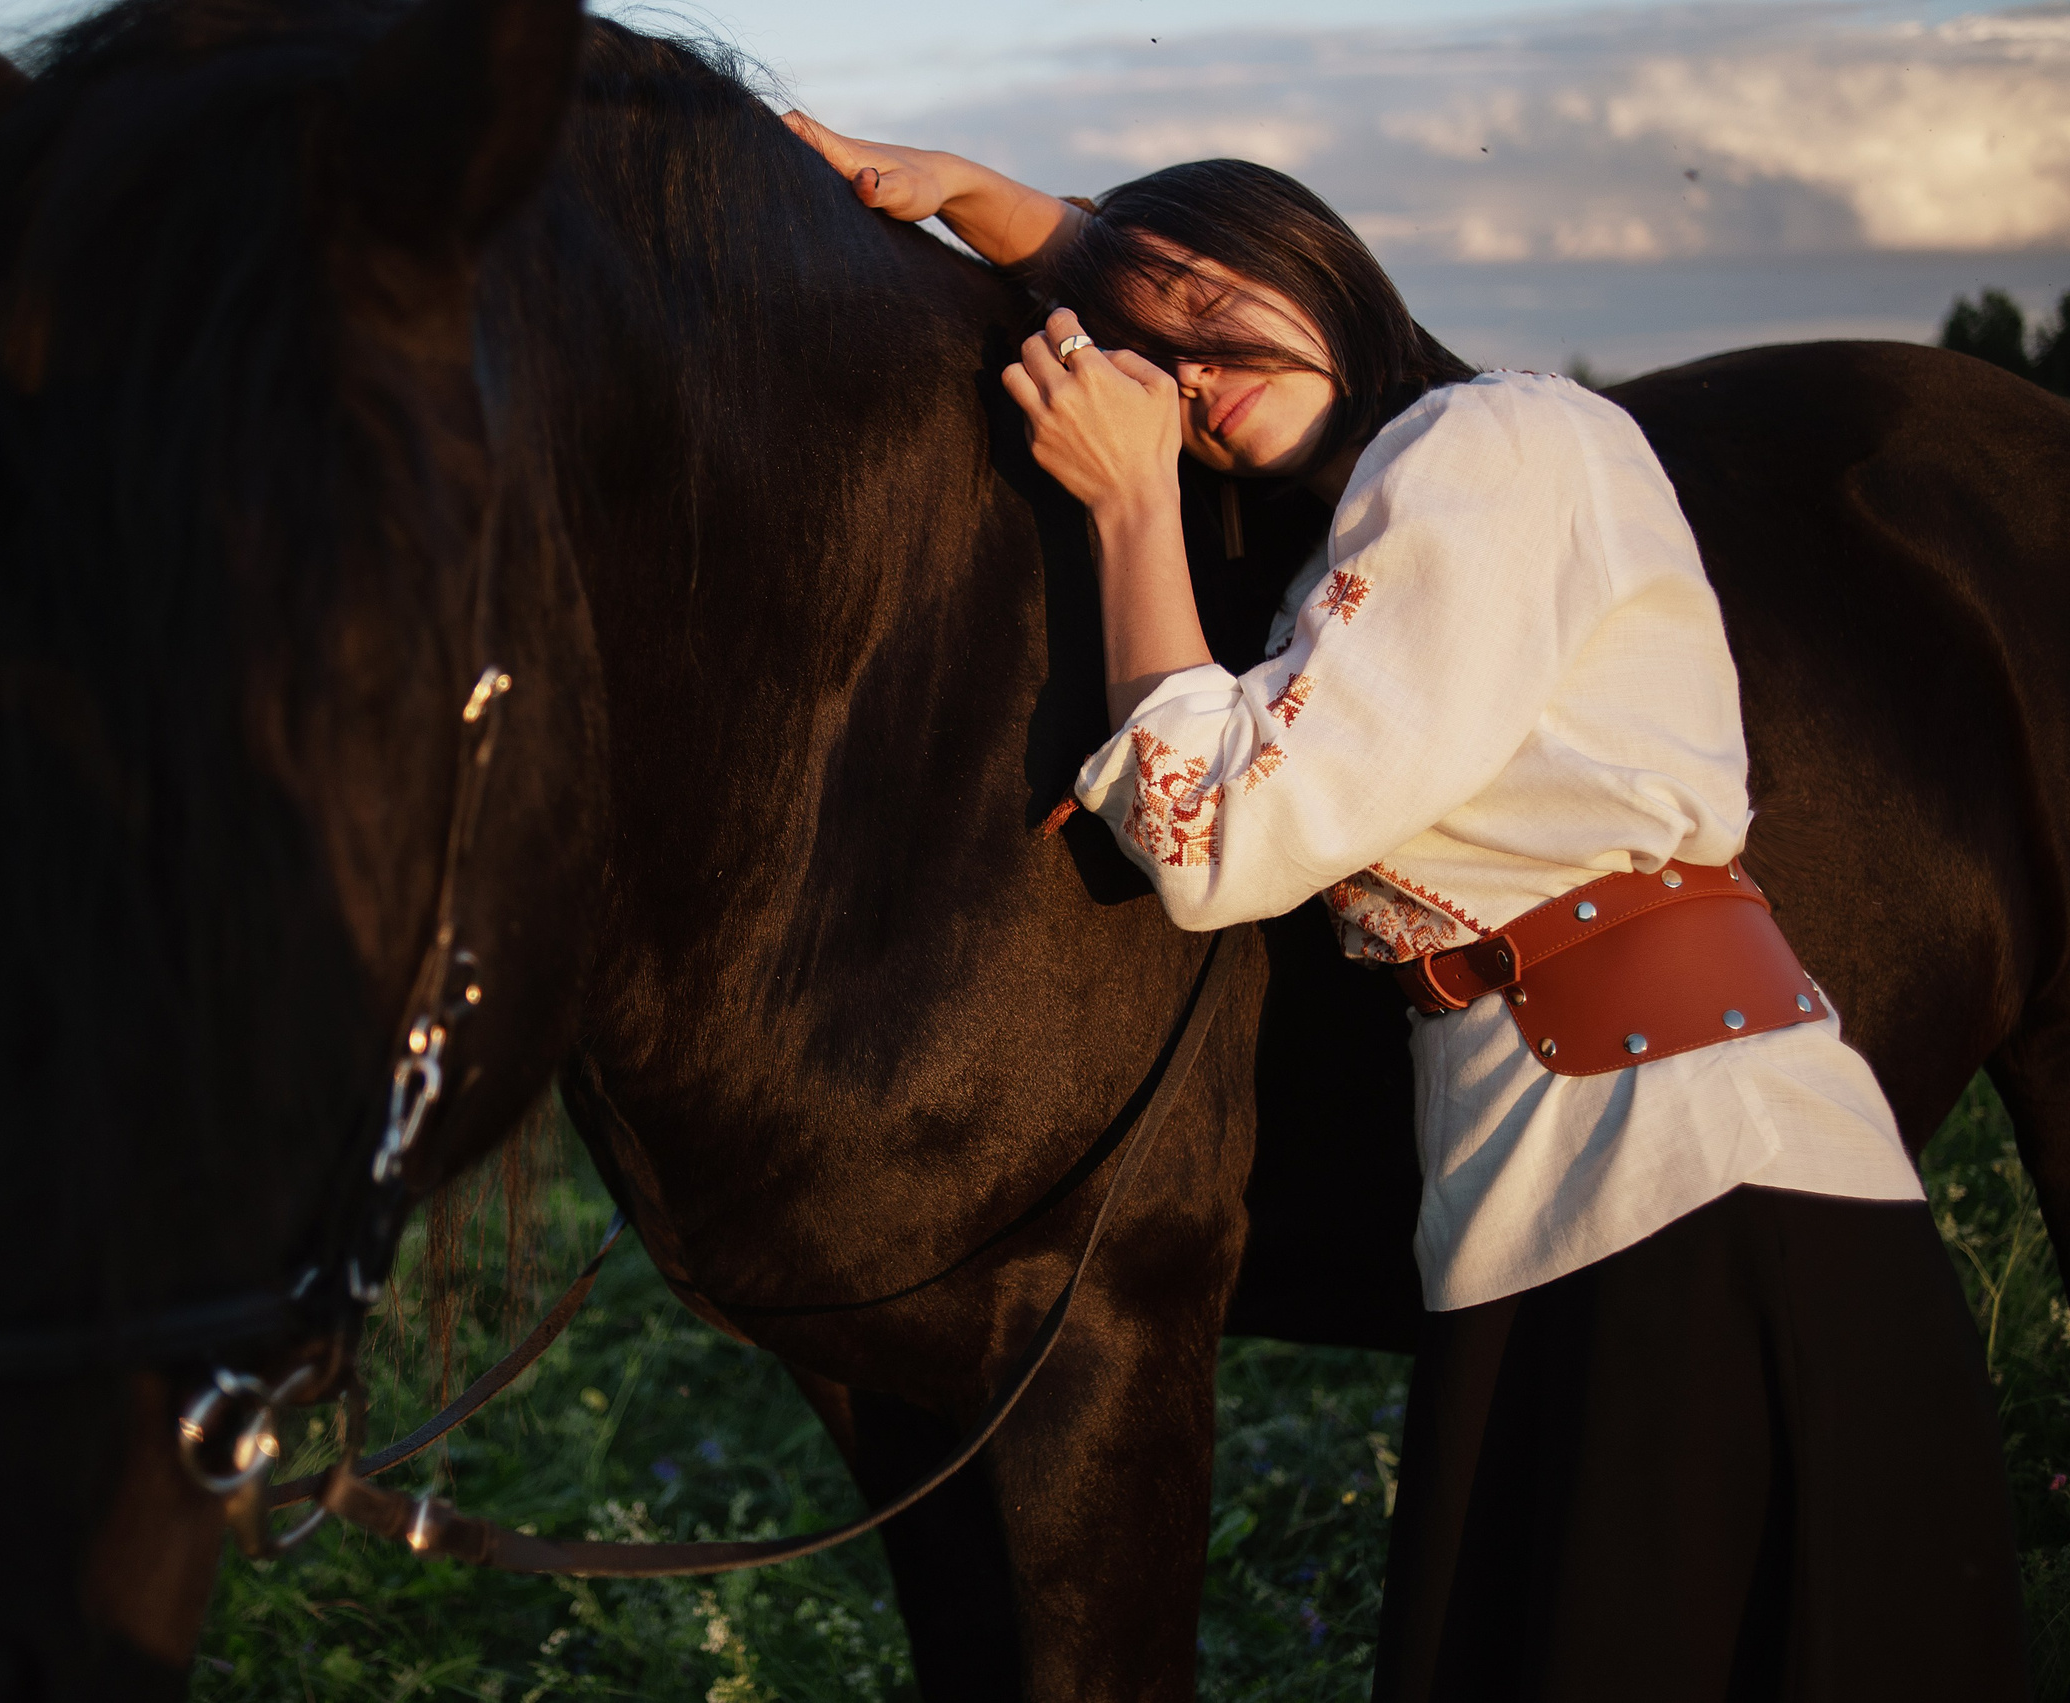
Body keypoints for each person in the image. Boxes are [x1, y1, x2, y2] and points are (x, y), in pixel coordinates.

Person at [786, 116, 2031, 1701]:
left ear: (1320, 252)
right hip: (1551, 1208)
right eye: (1143, 359)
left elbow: (1219, 839)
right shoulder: (1368, 539)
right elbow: (1211, 336)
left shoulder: (1492, 446)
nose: (1185, 373)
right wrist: (983, 204)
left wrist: (1130, 509)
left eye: (1203, 295)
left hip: (1698, 1192)